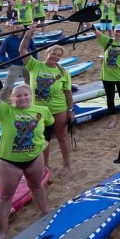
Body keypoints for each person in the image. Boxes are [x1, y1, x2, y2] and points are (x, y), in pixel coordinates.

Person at [0, 65, 49, 239]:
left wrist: (46, 140)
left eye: (26, 95)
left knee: (37, 186)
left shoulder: (42, 111)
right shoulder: (5, 111)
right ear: (13, 98)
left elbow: (49, 124)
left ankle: (45, 213)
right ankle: (3, 228)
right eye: (18, 95)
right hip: (9, 161)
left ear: (31, 96)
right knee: (5, 195)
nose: (23, 98)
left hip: (34, 157)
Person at [19, 30, 74, 177]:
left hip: (58, 109)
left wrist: (71, 109)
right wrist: (28, 35)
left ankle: (66, 164)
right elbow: (22, 50)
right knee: (43, 140)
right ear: (47, 54)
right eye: (53, 54)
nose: (55, 57)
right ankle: (45, 167)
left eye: (58, 55)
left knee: (62, 136)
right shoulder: (34, 65)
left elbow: (68, 93)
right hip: (38, 110)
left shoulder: (63, 72)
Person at [92, 24, 120, 128]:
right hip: (107, 77)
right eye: (117, 31)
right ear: (114, 32)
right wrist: (87, 19)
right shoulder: (108, 41)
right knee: (110, 99)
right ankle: (113, 119)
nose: (118, 34)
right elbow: (95, 31)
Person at [0, 20, 36, 99]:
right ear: (12, 29)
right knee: (8, 85)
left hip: (28, 63)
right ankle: (1, 100)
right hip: (15, 65)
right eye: (17, 28)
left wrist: (35, 60)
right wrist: (8, 62)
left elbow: (34, 49)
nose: (20, 29)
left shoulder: (27, 38)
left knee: (30, 83)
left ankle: (31, 98)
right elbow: (1, 54)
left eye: (21, 28)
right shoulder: (8, 40)